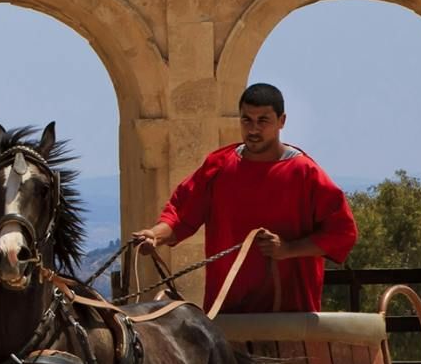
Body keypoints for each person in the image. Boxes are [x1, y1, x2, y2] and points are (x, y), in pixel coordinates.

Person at [131, 82, 357, 313]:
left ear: (282, 121)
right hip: (229, 313)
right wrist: (155, 236)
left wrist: (288, 249)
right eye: (246, 120)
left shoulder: (305, 173)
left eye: (263, 121)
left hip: (290, 315)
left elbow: (342, 232)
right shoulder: (219, 166)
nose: (253, 129)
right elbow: (181, 213)